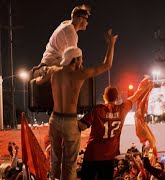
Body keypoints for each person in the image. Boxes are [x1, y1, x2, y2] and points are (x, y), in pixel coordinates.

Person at [36, 29, 117, 180]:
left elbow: (38, 81)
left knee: (55, 159)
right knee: (70, 164)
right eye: (80, 59)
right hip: (69, 121)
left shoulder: (54, 71)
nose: (82, 61)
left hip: (54, 119)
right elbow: (107, 64)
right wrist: (111, 44)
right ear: (75, 59)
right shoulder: (80, 75)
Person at [78, 76, 154, 180]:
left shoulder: (97, 110)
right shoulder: (122, 109)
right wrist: (146, 86)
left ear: (104, 96)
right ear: (117, 98)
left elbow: (81, 126)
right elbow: (136, 96)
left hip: (92, 156)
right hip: (108, 158)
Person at [32, 4, 90, 79]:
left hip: (51, 59)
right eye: (86, 19)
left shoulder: (66, 24)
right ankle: (43, 70)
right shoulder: (70, 31)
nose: (87, 23)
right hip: (53, 61)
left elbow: (75, 14)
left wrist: (82, 11)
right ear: (80, 19)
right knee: (76, 70)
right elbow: (74, 58)